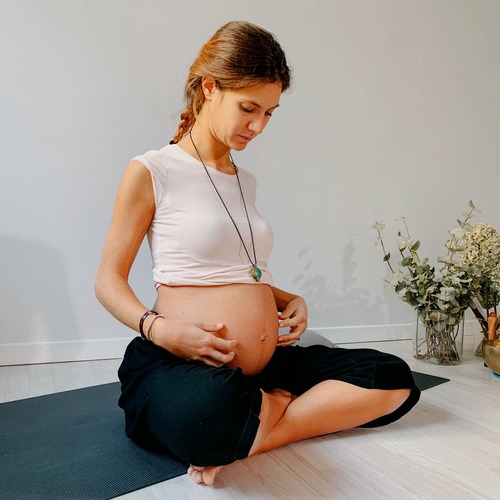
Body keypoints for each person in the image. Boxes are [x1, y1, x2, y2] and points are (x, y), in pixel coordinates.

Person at [95, 20, 420, 486]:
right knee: (209, 414)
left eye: (270, 113)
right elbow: (107, 280)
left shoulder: (244, 180)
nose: (259, 126)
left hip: (265, 367)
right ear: (209, 88)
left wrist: (288, 299)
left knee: (393, 377)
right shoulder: (152, 170)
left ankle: (263, 427)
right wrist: (162, 331)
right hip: (181, 361)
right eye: (249, 108)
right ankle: (257, 414)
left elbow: (241, 271)